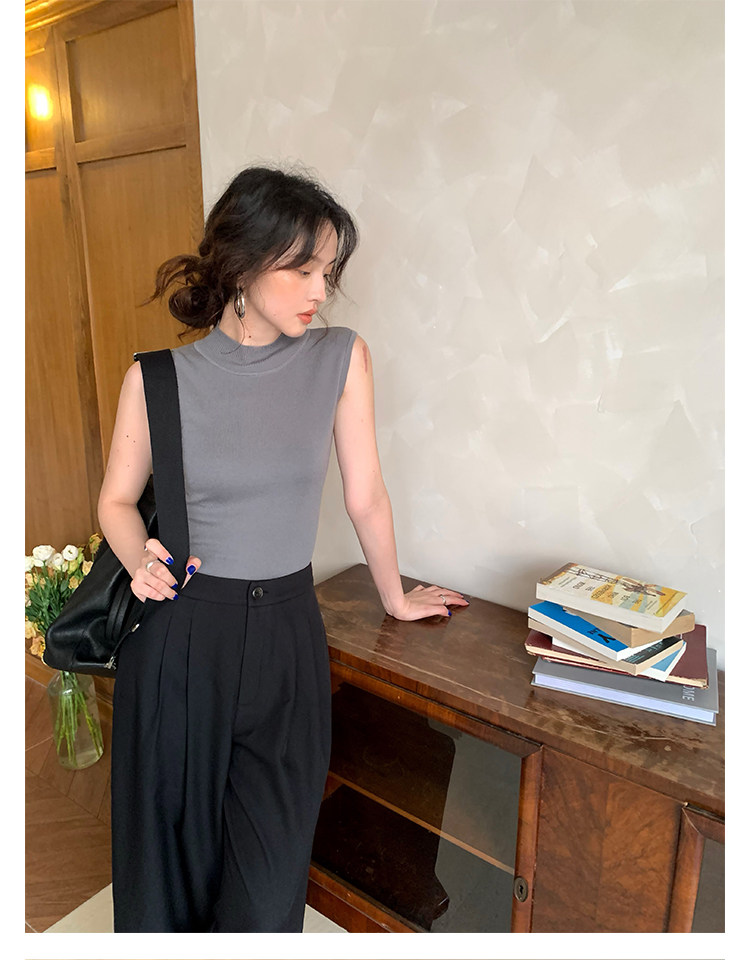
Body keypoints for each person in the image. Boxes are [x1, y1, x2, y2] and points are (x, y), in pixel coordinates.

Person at [97, 165, 468, 933]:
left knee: (269, 881)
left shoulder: (341, 358)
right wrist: (138, 560)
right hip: (181, 642)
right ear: (241, 264)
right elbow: (117, 502)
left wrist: (395, 596)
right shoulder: (156, 379)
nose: (319, 291)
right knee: (168, 872)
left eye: (327, 272)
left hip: (287, 640)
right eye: (302, 269)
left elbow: (366, 494)